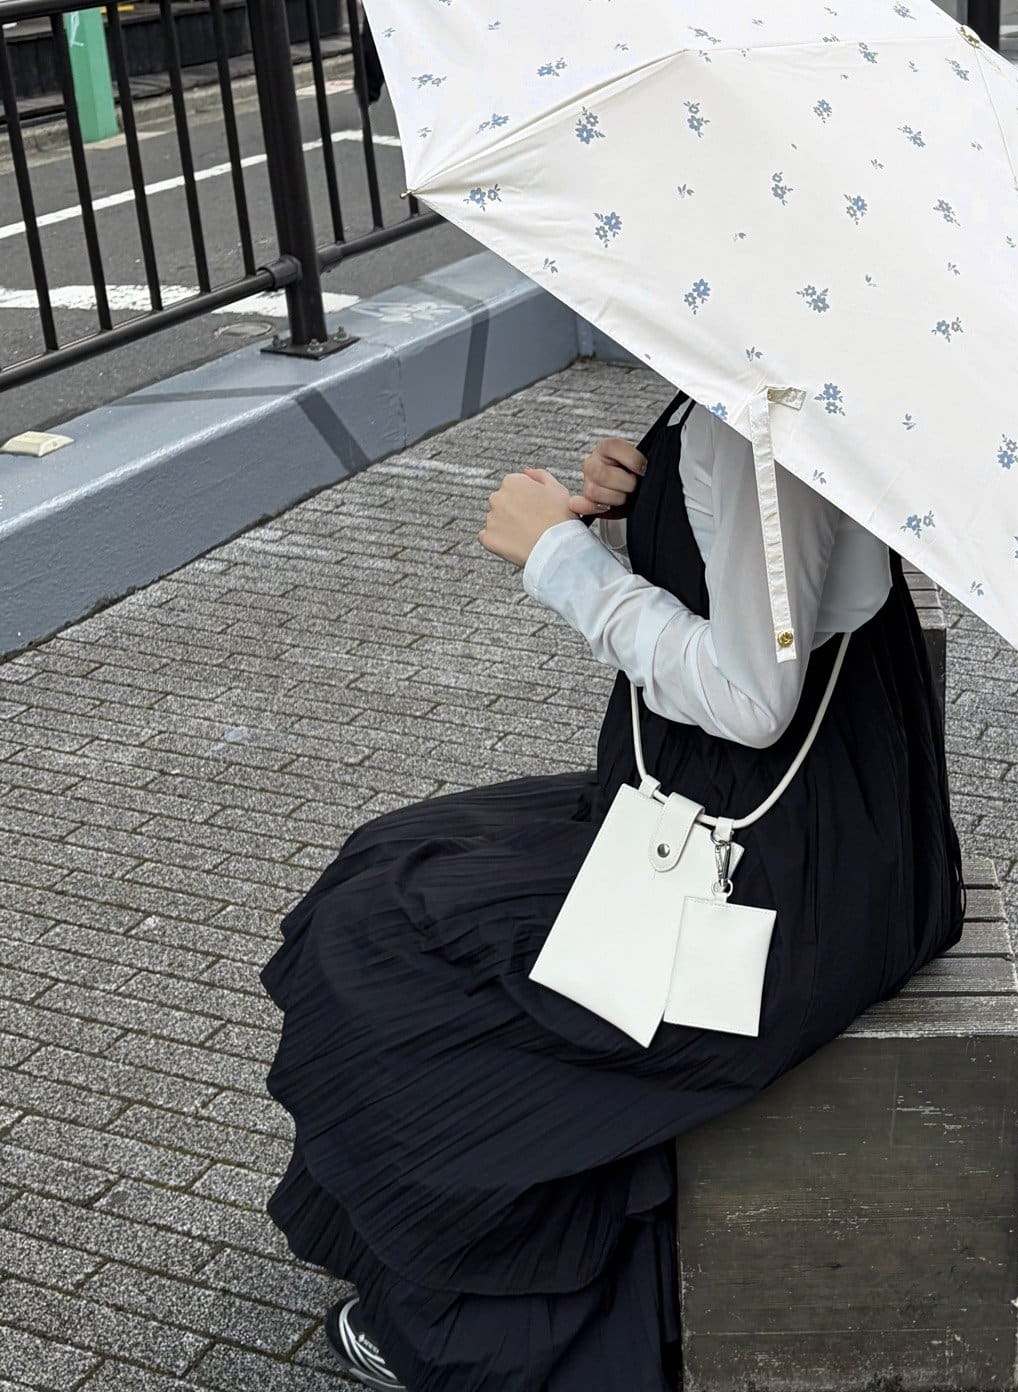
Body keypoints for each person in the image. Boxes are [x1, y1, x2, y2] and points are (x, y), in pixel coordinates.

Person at [260, 390, 966, 1390]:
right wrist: (647, 507)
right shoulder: (782, 390)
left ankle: (499, 1323)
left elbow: (752, 698)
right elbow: (775, 585)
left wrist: (561, 557)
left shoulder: (754, 421)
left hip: (776, 879)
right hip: (813, 821)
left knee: (387, 941)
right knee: (394, 861)